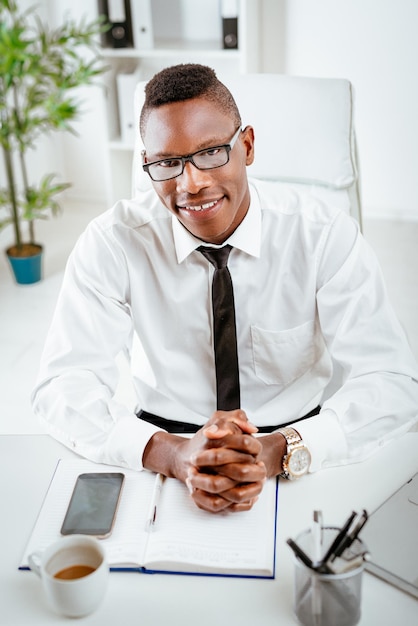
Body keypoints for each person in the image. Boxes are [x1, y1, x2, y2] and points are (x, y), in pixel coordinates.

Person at [32, 64, 418, 514]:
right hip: (164, 450)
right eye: (167, 164)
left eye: (212, 152)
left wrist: (279, 450)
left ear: (247, 146)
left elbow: (391, 382)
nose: (191, 183)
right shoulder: (113, 241)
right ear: (147, 166)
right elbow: (63, 384)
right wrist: (172, 454)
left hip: (298, 449)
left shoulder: (322, 233)